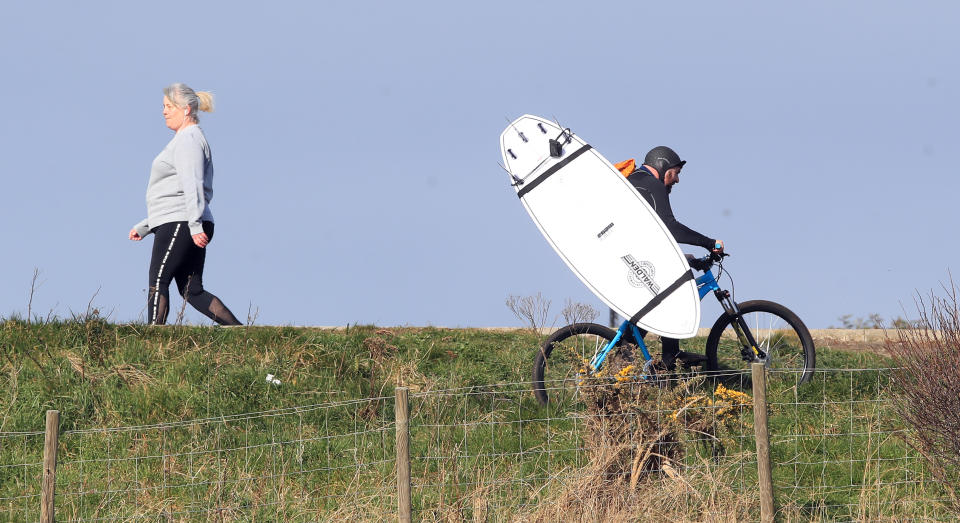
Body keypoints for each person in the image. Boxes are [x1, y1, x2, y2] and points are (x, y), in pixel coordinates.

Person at [128, 83, 242, 326]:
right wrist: (146, 225)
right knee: (192, 290)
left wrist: (194, 224)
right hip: (183, 219)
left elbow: (193, 184)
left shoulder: (188, 140)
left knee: (158, 279)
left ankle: (153, 337)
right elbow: (176, 190)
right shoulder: (185, 139)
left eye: (169, 106)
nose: (164, 111)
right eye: (164, 106)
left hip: (183, 221)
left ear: (187, 109)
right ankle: (241, 334)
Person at [627, 146, 724, 369]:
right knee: (677, 293)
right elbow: (670, 227)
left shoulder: (636, 180)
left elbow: (651, 233)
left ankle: (665, 360)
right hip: (640, 261)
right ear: (663, 166)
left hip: (634, 257)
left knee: (665, 301)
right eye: (676, 172)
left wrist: (682, 256)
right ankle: (670, 359)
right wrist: (710, 243)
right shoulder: (651, 184)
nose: (677, 180)